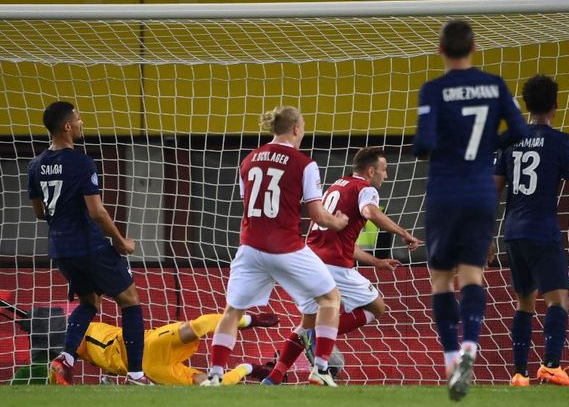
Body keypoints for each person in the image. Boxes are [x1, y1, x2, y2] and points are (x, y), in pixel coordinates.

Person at [412, 20, 527, 401]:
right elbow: (521, 132)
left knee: (441, 279)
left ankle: (449, 361)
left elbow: (424, 143)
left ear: (440, 50)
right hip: (481, 191)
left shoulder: (433, 89)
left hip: (446, 190)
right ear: (474, 47)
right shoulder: (495, 85)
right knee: (474, 274)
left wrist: (436, 146)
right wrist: (488, 145)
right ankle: (470, 348)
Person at [202, 106, 349, 387]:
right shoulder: (304, 163)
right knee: (330, 298)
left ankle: (215, 375)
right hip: (286, 247)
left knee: (232, 311)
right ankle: (320, 368)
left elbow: (249, 206)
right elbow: (317, 215)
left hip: (250, 248)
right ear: (295, 129)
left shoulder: (249, 160)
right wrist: (337, 222)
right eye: (303, 127)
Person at [262, 147, 423, 385]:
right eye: (384, 170)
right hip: (334, 266)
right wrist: (403, 233)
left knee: (307, 322)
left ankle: (273, 378)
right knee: (376, 307)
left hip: (309, 261)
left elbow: (343, 243)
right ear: (370, 171)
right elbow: (370, 211)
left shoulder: (338, 185)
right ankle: (320, 349)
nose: (386, 176)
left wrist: (377, 261)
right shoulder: (365, 189)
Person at [27, 101, 151, 385]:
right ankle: (135, 374)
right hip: (89, 246)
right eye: (78, 119)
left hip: (60, 248)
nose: (82, 122)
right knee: (130, 301)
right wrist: (120, 242)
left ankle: (65, 358)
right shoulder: (82, 163)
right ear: (67, 126)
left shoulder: (35, 165)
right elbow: (97, 212)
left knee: (89, 301)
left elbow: (38, 212)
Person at [494, 75, 569, 388]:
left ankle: (519, 374)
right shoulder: (561, 142)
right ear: (555, 105)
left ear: (527, 104)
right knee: (558, 299)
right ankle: (551, 366)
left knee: (525, 302)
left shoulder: (509, 140)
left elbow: (493, 191)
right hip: (542, 230)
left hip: (513, 232)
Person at [72, 312, 279, 385]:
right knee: (208, 384)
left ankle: (247, 320)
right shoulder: (84, 353)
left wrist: (62, 359)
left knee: (194, 327)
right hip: (152, 370)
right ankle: (250, 369)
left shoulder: (85, 331)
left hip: (148, 344)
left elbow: (77, 343)